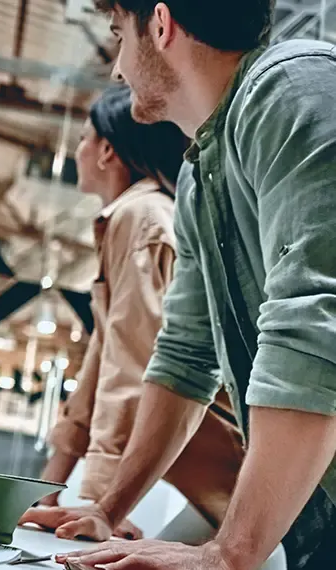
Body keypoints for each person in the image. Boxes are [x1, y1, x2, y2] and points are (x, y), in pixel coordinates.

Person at [36, 2, 336, 569]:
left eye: (119, 36)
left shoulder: (296, 89)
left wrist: (229, 554)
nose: (117, 69)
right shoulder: (200, 175)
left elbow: (316, 329)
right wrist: (106, 507)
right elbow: (183, 356)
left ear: (161, 24)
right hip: (313, 505)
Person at [20, 85, 244, 542]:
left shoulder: (141, 218)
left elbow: (134, 365)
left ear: (106, 150)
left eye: (83, 138)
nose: (78, 149)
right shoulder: (133, 217)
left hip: (234, 464)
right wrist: (49, 487)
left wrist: (102, 505)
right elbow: (100, 364)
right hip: (215, 474)